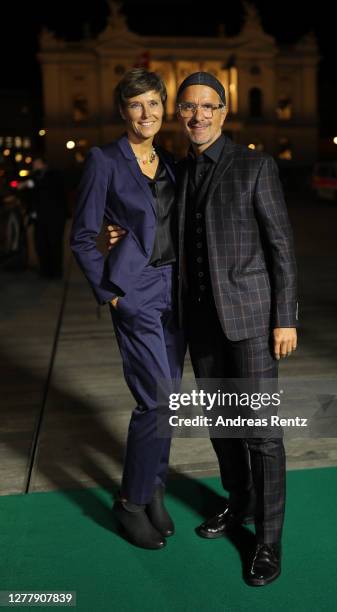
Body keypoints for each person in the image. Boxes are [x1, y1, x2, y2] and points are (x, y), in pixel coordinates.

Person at [107, 72, 298, 586]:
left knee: (261, 434)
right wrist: (120, 232)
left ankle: (268, 542)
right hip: (201, 325)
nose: (197, 116)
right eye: (188, 108)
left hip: (254, 321)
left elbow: (281, 248)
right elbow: (152, 216)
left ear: (223, 111)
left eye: (207, 107)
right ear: (181, 114)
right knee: (223, 428)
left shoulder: (255, 166)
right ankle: (239, 504)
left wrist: (286, 317)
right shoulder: (178, 169)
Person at [70, 68, 185, 550]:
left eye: (154, 104)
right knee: (154, 400)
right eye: (136, 105)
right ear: (123, 111)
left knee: (170, 403)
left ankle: (154, 488)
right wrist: (111, 291)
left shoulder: (173, 163)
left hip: (175, 289)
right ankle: (131, 502)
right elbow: (82, 235)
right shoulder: (104, 160)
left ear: (164, 109)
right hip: (135, 291)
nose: (147, 114)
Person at [24, 155, 67, 278]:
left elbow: (50, 191)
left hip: (54, 218)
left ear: (44, 164)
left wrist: (31, 183)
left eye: (37, 163)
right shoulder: (34, 177)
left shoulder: (53, 176)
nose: (34, 166)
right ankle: (45, 270)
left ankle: (56, 271)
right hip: (39, 219)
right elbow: (31, 197)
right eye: (34, 163)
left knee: (54, 244)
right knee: (40, 244)